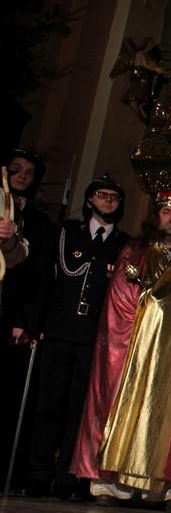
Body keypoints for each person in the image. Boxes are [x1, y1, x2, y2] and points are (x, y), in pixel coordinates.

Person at [71, 191, 171, 511]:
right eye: (166, 212)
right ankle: (110, 484)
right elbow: (119, 300)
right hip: (134, 347)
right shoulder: (135, 251)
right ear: (156, 216)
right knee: (120, 408)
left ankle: (166, 488)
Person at [22, 173, 128, 501]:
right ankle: (38, 475)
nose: (107, 200)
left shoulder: (124, 244)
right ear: (89, 200)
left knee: (80, 411)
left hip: (95, 335)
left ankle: (68, 478)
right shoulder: (67, 232)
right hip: (59, 328)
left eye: (113, 196)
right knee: (48, 405)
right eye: (101, 194)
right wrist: (35, 323)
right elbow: (45, 278)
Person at [0, 148, 57, 491]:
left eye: (29, 172)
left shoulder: (39, 224)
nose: (22, 176)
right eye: (16, 169)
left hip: (13, 315)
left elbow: (38, 276)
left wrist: (28, 322)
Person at [110, 37, 168, 123]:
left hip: (143, 76)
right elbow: (145, 65)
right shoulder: (140, 53)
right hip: (139, 76)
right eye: (152, 44)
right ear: (149, 44)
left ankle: (141, 108)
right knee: (139, 93)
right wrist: (156, 69)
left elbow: (150, 64)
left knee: (143, 94)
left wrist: (155, 66)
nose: (153, 46)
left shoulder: (147, 55)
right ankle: (137, 113)